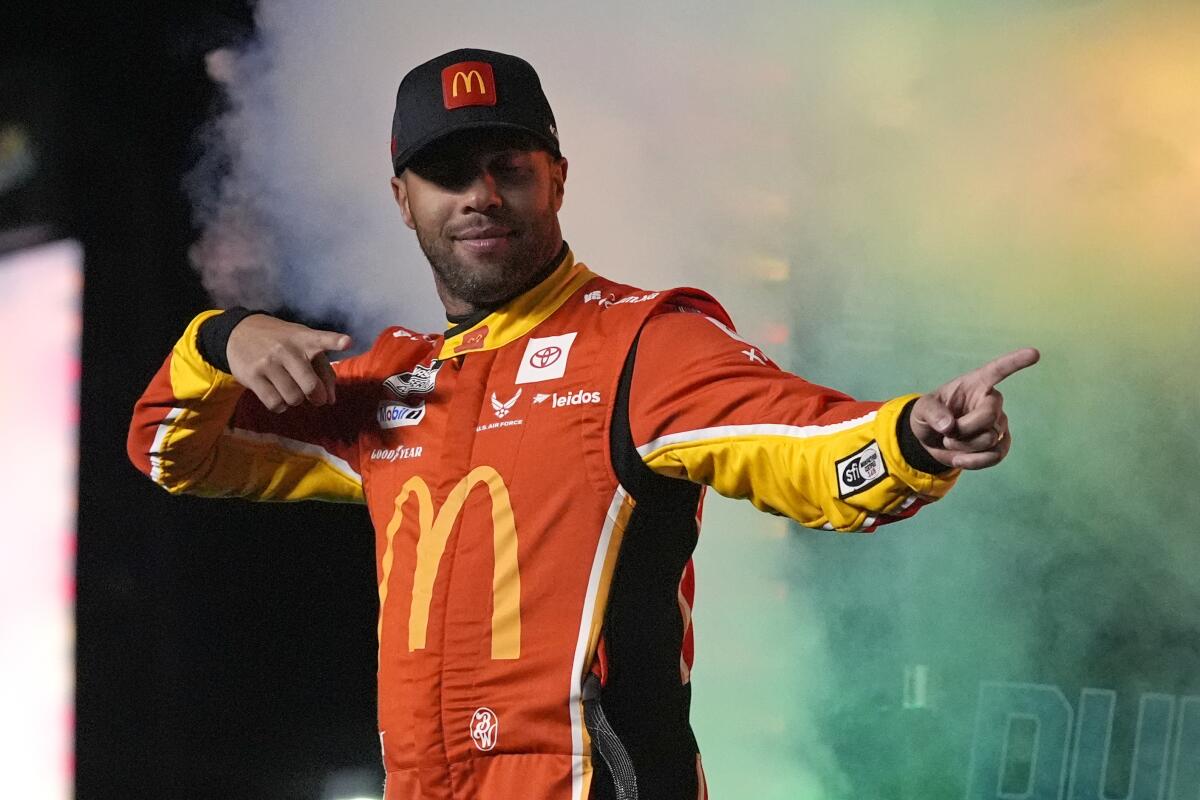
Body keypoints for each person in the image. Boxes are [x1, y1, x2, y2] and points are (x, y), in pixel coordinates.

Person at [128, 48, 1039, 800]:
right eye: (447, 173)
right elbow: (173, 451)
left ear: (556, 179)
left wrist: (918, 435)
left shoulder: (646, 342)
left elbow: (810, 444)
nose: (480, 194)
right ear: (403, 199)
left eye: (508, 168)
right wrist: (220, 338)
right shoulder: (390, 385)